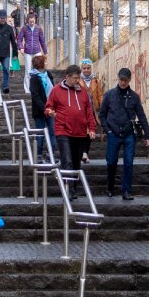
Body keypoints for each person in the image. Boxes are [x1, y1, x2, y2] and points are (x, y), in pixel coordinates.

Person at [99, 67, 149, 200]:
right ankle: (110, 187)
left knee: (129, 163)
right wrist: (108, 130)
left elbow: (141, 115)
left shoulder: (133, 97)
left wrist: (147, 135)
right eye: (121, 79)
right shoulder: (109, 95)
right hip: (114, 133)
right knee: (111, 162)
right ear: (118, 78)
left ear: (129, 81)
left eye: (125, 80)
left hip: (128, 133)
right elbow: (102, 114)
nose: (123, 82)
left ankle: (126, 190)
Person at [44, 64, 95, 199]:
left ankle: (73, 187)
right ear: (67, 77)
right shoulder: (56, 90)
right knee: (67, 160)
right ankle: (68, 190)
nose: (76, 81)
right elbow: (48, 107)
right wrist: (50, 112)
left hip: (80, 132)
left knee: (76, 162)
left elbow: (88, 111)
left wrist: (92, 128)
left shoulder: (83, 91)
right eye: (74, 78)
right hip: (63, 130)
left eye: (78, 78)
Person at [28, 54, 56, 158]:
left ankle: (51, 154)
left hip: (51, 108)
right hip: (40, 111)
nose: (46, 63)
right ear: (41, 63)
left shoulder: (48, 73)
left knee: (53, 131)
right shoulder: (34, 78)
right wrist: (45, 108)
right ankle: (38, 155)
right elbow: (35, 96)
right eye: (45, 61)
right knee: (40, 133)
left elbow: (54, 89)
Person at [17, 12, 47, 94]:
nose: (32, 23)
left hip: (37, 51)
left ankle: (39, 88)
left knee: (39, 70)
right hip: (27, 52)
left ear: (35, 20)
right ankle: (27, 90)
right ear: (28, 21)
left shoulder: (39, 28)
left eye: (33, 21)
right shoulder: (24, 28)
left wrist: (45, 52)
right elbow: (19, 39)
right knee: (28, 71)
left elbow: (42, 41)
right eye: (30, 22)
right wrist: (21, 48)